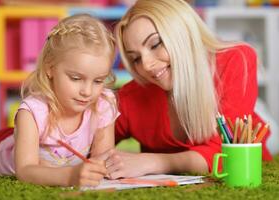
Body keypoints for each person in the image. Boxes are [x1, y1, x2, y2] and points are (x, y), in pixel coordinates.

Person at [105, 0, 272, 179]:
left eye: (155, 44)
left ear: (183, 32)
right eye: (136, 58)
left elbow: (225, 154)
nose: (146, 65)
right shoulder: (132, 96)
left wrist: (151, 162)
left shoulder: (234, 60)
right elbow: (89, 147)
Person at [0, 14, 119, 187]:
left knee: (15, 136)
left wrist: (102, 167)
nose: (87, 92)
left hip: (23, 138)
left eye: (98, 81)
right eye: (75, 78)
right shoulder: (31, 112)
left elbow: (102, 158)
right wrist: (69, 176)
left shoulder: (103, 104)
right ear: (49, 69)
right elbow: (25, 170)